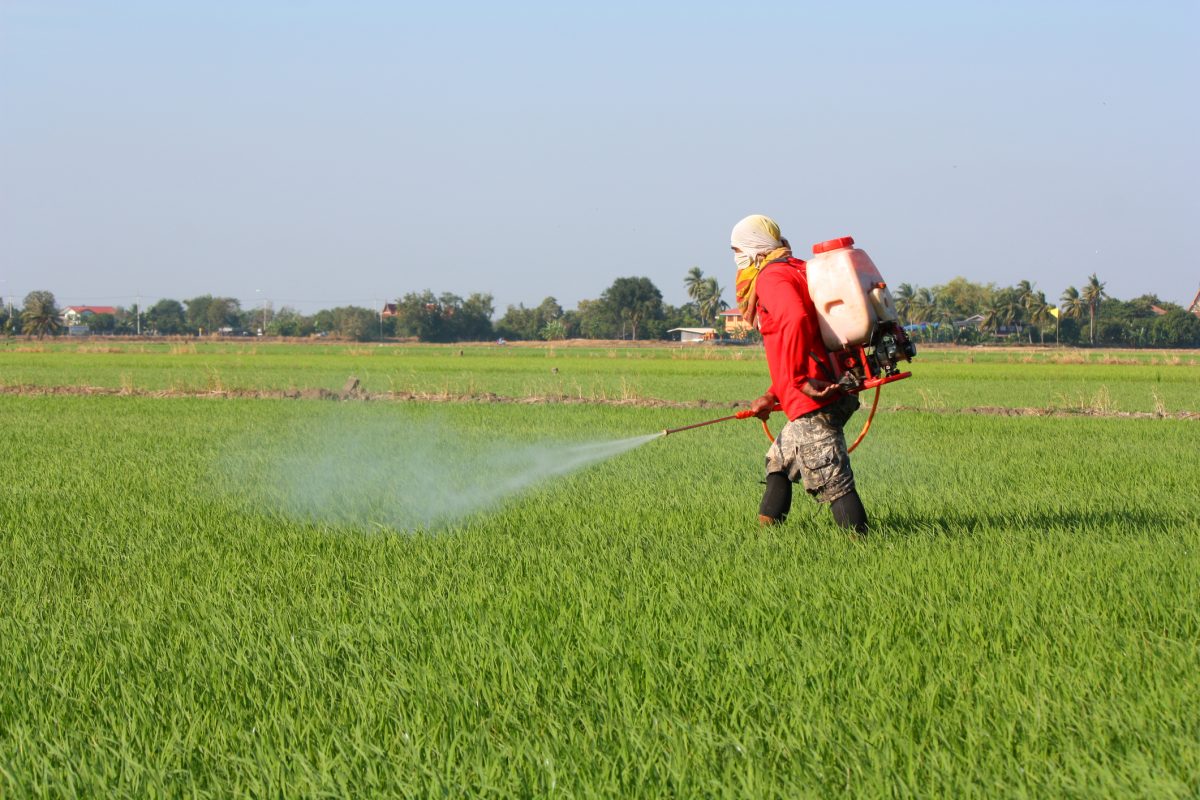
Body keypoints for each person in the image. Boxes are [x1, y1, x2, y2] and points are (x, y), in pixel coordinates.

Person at [731, 214, 869, 535]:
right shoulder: (799, 268)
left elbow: (794, 319)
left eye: (737, 250)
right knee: (779, 461)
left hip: (814, 396)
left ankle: (865, 550)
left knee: (831, 478)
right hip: (832, 383)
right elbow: (806, 345)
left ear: (754, 250)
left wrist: (795, 380)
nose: (737, 259)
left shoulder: (771, 277)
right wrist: (774, 393)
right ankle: (765, 537)